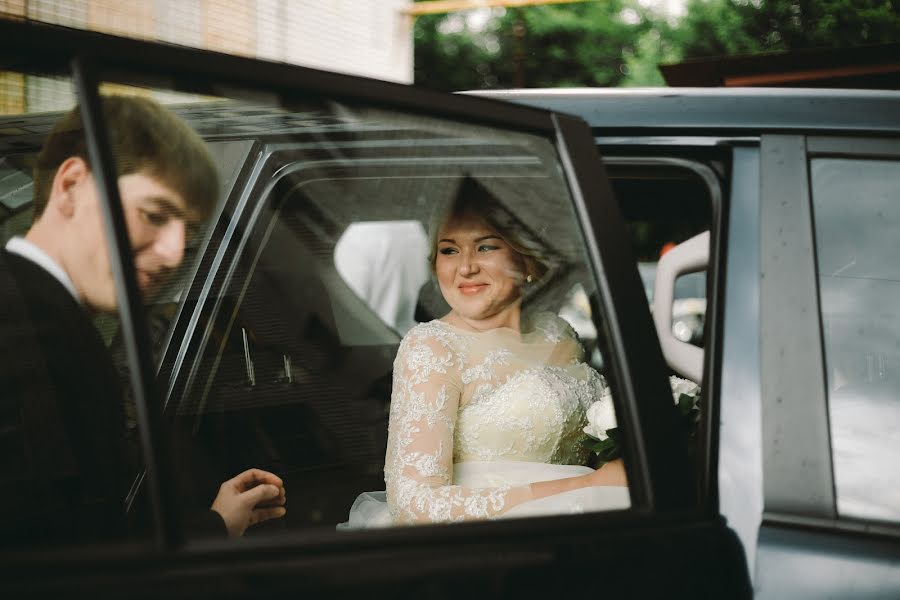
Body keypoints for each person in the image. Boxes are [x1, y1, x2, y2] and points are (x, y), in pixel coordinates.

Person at [0, 95, 285, 545]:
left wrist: (214, 524)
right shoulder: (29, 333)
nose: (175, 253)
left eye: (188, 234)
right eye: (154, 215)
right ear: (72, 185)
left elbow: (76, 531)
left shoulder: (47, 315)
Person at [341, 177, 627, 528]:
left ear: (526, 255)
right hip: (489, 548)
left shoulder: (558, 332)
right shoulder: (432, 348)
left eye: (485, 247)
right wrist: (588, 486)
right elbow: (416, 504)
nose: (465, 268)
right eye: (449, 250)